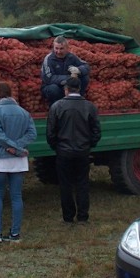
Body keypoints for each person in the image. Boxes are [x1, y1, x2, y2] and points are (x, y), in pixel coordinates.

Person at [0, 81, 37, 243]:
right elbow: (32, 134)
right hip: (19, 161)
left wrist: (12, 148)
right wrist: (18, 148)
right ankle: (15, 234)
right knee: (16, 196)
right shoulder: (24, 112)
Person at [46, 76, 101, 224]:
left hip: (63, 151)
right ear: (80, 88)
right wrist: (89, 145)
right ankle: (83, 217)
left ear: (66, 90)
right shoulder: (90, 106)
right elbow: (96, 131)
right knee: (82, 183)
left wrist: (56, 147)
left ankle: (68, 217)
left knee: (65, 185)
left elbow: (50, 132)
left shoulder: (57, 106)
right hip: (83, 151)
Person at [41, 36, 90, 105]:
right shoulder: (48, 59)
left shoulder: (71, 56)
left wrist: (79, 70)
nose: (58, 51)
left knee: (85, 78)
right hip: (53, 87)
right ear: (53, 47)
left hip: (68, 87)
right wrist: (69, 78)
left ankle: (78, 101)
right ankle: (55, 106)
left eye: (61, 49)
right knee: (53, 88)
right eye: (56, 48)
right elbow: (48, 78)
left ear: (67, 48)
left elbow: (86, 66)